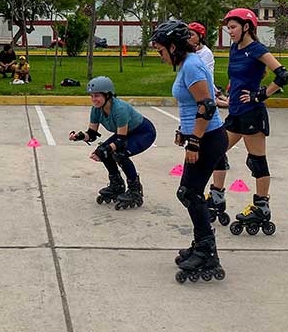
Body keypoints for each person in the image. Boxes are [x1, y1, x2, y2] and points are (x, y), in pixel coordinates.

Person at [150, 20, 227, 282]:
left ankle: (207, 251)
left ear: (174, 47)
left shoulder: (192, 65)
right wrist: (184, 131)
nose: (159, 55)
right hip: (202, 136)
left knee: (190, 193)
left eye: (161, 50)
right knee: (189, 192)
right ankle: (202, 243)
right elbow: (194, 105)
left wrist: (194, 141)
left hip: (208, 138)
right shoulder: (188, 64)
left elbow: (207, 106)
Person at [212, 8, 288, 236]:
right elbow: (237, 78)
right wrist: (228, 97)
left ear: (247, 27)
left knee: (257, 161)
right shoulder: (235, 48)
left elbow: (283, 75)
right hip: (235, 111)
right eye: (228, 28)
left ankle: (261, 206)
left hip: (252, 113)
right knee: (217, 150)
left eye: (233, 27)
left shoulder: (257, 49)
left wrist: (261, 95)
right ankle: (217, 196)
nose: (230, 32)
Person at [68, 76, 157, 210]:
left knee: (119, 153)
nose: (93, 99)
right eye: (91, 96)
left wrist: (106, 150)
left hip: (143, 132)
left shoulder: (119, 109)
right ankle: (117, 185)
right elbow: (91, 134)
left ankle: (135, 190)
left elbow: (120, 140)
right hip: (126, 133)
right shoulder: (96, 109)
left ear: (107, 95)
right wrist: (79, 136)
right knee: (103, 150)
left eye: (97, 96)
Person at [187, 22, 229, 109]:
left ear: (200, 36)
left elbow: (200, 72)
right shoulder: (188, 51)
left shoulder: (206, 52)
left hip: (205, 86)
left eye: (191, 35)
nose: (188, 37)